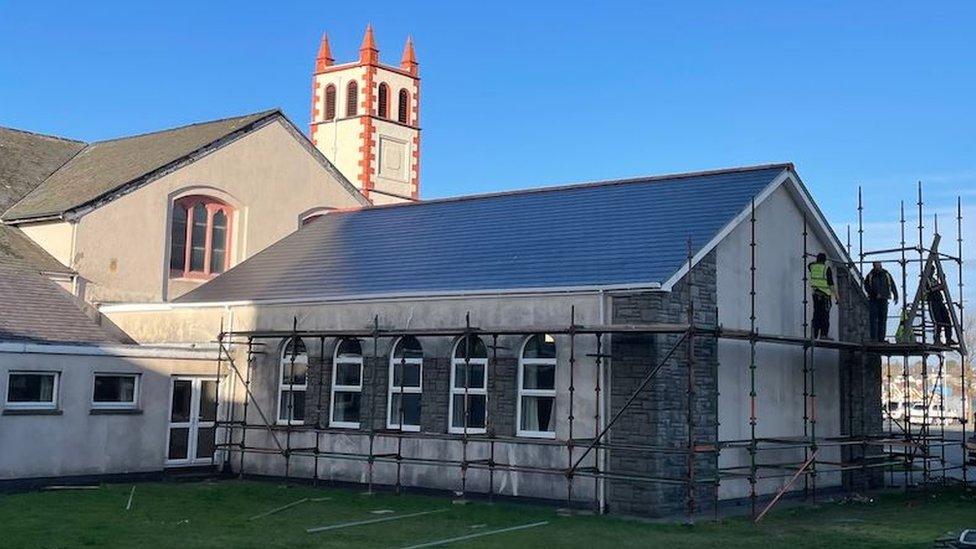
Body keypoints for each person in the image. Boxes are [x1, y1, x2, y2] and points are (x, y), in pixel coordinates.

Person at [863, 261, 898, 342]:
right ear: (874, 265)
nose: (877, 265)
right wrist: (875, 294)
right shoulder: (870, 276)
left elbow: (892, 284)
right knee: (873, 319)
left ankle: (881, 338)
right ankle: (874, 338)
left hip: (884, 299)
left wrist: (896, 295)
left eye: (878, 264)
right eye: (876, 264)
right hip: (873, 300)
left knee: (882, 319)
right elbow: (866, 287)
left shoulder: (886, 274)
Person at [809, 253, 837, 339]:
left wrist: (816, 262)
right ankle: (823, 335)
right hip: (825, 295)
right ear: (825, 260)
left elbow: (809, 265)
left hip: (816, 295)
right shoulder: (826, 269)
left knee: (816, 314)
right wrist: (837, 295)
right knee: (825, 316)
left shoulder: (812, 267)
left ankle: (814, 334)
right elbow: (831, 284)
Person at [925, 274, 955, 345]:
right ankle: (937, 339)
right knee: (938, 321)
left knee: (947, 320)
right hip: (933, 301)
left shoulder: (933, 279)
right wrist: (940, 286)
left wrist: (941, 281)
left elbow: (940, 286)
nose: (933, 271)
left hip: (939, 301)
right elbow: (929, 289)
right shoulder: (925, 279)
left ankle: (948, 338)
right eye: (932, 269)